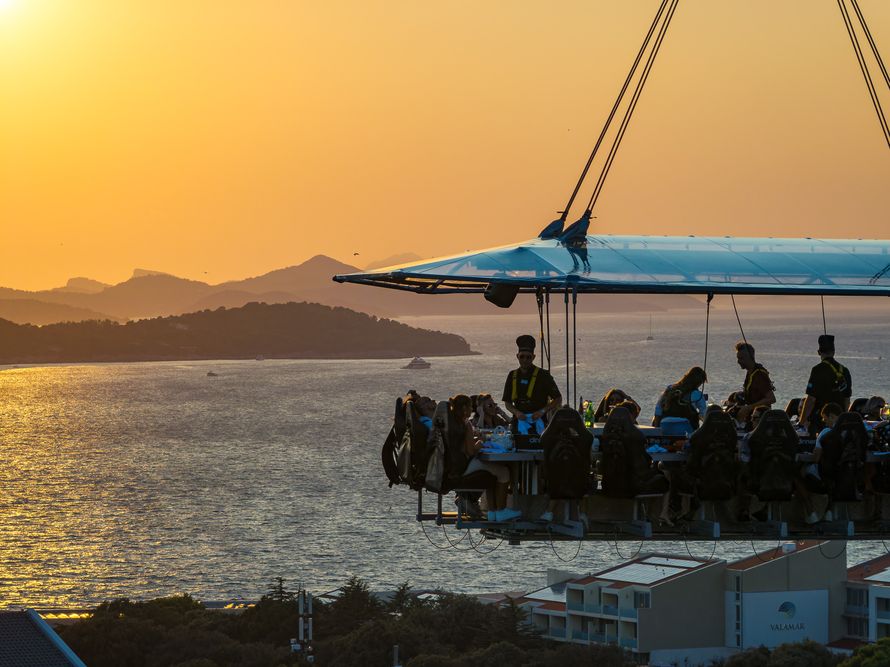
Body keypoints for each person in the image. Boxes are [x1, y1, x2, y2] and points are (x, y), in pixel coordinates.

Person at [449, 394, 517, 521]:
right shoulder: (467, 424)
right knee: (504, 472)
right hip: (466, 465)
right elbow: (470, 451)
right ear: (464, 408)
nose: (472, 410)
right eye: (470, 407)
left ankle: (492, 513)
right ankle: (501, 511)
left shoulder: (453, 423)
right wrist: (479, 444)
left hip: (456, 466)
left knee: (492, 475)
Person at [502, 335, 562, 435]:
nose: (525, 360)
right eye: (522, 356)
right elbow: (507, 403)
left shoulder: (543, 375)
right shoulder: (512, 375)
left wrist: (542, 411)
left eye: (528, 357)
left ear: (533, 357)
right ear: (517, 356)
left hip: (539, 421)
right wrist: (516, 413)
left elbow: (558, 399)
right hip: (519, 422)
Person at [795, 402, 842, 524]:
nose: (824, 422)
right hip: (844, 478)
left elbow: (816, 458)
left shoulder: (826, 432)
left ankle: (810, 512)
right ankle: (829, 511)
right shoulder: (848, 432)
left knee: (796, 475)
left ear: (831, 416)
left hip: (823, 477)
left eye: (825, 418)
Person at [799, 334, 852, 436]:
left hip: (821, 421)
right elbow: (847, 399)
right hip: (839, 422)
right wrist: (843, 419)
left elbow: (811, 400)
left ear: (819, 352)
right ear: (834, 351)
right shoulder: (844, 370)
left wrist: (801, 423)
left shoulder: (817, 370)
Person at [729, 342, 776, 427]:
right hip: (750, 413)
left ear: (750, 357)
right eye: (738, 358)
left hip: (759, 418)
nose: (738, 361)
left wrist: (749, 407)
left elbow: (771, 398)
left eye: (741, 358)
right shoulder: (750, 372)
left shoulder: (759, 374)